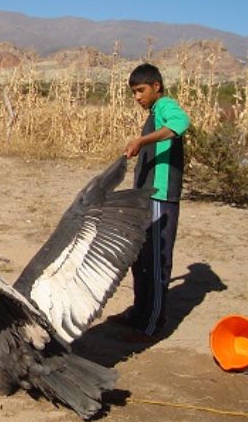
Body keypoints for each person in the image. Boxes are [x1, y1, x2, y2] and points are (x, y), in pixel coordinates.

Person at [109, 63, 190, 338]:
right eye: (133, 92)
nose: (137, 97)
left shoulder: (166, 105)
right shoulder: (154, 112)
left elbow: (181, 123)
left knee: (156, 261)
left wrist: (142, 141)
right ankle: (139, 311)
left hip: (160, 197)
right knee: (140, 258)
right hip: (146, 198)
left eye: (141, 90)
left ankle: (153, 322)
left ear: (156, 86)